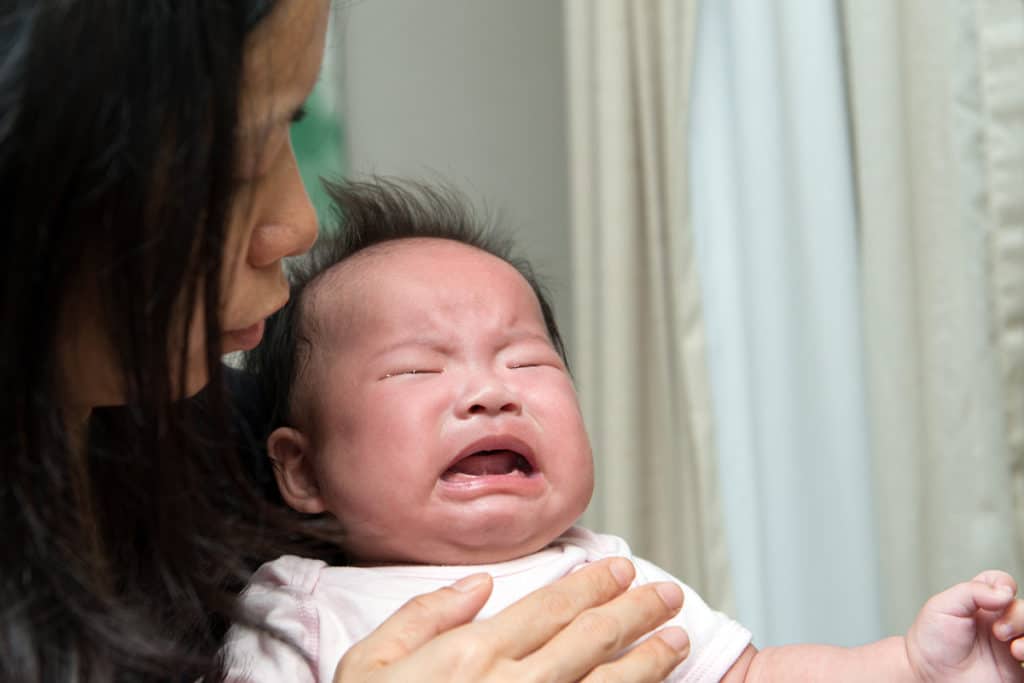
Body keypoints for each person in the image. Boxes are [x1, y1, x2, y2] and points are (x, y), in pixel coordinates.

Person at [1, 2, 692, 681]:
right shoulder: (300, 598)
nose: (298, 223)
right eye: (239, 160)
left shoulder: (231, 447)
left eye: (527, 360)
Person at [228, 178, 1024, 682]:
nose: (489, 392)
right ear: (302, 471)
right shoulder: (304, 610)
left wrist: (913, 665)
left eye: (527, 360)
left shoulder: (607, 573)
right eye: (418, 370)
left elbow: (753, 675)